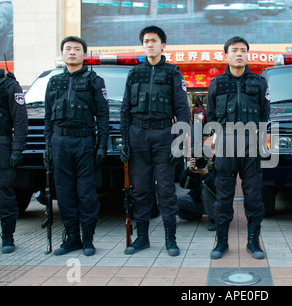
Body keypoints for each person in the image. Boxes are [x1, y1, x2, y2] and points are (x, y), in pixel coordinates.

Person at [120, 25, 190, 256]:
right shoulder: (134, 73)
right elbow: (124, 111)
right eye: (146, 41)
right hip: (138, 136)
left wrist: (180, 142)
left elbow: (182, 110)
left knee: (167, 191)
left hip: (163, 136)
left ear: (163, 45)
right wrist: (125, 142)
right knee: (140, 191)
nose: (150, 44)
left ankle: (171, 239)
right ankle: (142, 238)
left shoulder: (173, 73)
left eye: (154, 40)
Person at [44, 36, 110, 256]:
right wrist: (47, 146)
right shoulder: (54, 81)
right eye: (68, 49)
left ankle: (89, 239)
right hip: (59, 142)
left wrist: (101, 146)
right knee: (64, 193)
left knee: (86, 194)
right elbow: (47, 117)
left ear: (84, 54)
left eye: (77, 49)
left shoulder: (94, 80)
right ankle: (72, 238)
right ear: (62, 53)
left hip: (84, 142)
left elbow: (102, 115)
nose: (72, 52)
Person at [206, 36, 270, 260]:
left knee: (253, 198)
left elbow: (265, 114)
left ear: (248, 54)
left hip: (251, 145)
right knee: (224, 197)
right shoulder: (217, 83)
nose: (239, 53)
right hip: (225, 144)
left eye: (243, 50)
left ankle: (253, 242)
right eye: (235, 50)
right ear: (227, 55)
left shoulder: (259, 82)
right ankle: (221, 242)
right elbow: (210, 117)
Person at [0, 69, 27, 254]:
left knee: (4, 192)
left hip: (2, 144)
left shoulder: (9, 85)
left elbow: (20, 119)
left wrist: (17, 149)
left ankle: (7, 236)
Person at [177, 157, 216, 231]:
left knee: (205, 188)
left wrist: (207, 174)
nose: (201, 162)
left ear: (209, 159)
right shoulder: (196, 170)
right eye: (198, 159)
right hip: (199, 202)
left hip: (215, 205)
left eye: (203, 159)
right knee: (175, 201)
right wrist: (188, 171)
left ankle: (214, 220)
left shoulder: (217, 168)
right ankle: (196, 215)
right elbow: (184, 186)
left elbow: (218, 192)